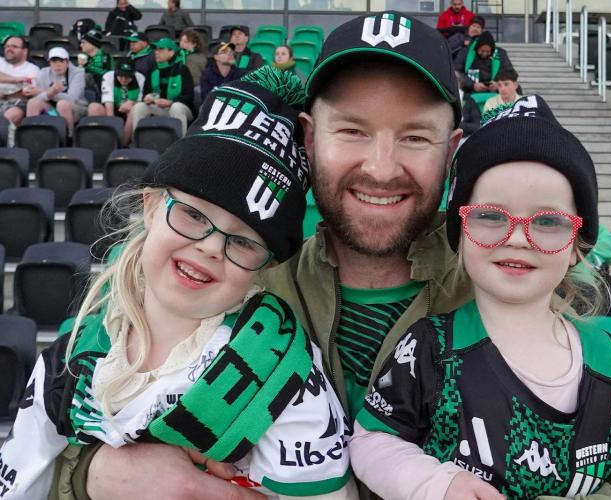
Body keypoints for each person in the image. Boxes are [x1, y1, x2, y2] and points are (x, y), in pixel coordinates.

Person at [48, 12, 471, 500]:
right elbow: (58, 410)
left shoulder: (527, 291)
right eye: (352, 130)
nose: (380, 168)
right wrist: (96, 475)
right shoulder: (224, 276)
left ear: (451, 149)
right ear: (309, 137)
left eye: (415, 136)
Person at [0, 67, 356, 500]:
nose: (208, 247)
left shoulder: (283, 376)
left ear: (263, 266)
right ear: (151, 206)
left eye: (242, 240)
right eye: (192, 214)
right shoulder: (73, 355)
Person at [351, 94, 611, 499]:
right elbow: (371, 440)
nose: (517, 237)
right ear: (460, 235)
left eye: (547, 221)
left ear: (576, 246)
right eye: (491, 216)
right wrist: (436, 484)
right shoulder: (430, 347)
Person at [131, 37, 194, 136]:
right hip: (159, 107)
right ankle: (138, 140)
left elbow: (189, 96)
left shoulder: (182, 69)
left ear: (171, 52)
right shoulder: (152, 70)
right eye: (156, 49)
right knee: (139, 107)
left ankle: (181, 145)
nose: (156, 52)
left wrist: (171, 102)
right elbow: (145, 93)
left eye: (161, 49)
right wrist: (147, 98)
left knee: (176, 107)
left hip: (181, 108)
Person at [25, 47, 87, 132]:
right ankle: (31, 134)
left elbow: (72, 99)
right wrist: (50, 93)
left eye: (61, 61)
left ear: (67, 62)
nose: (58, 65)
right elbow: (38, 98)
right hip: (52, 108)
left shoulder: (78, 73)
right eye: (54, 61)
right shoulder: (43, 72)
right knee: (32, 103)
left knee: (62, 104)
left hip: (77, 107)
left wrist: (48, 92)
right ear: (49, 62)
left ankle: (68, 136)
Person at [87, 58, 144, 144]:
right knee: (93, 107)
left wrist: (131, 103)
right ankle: (103, 141)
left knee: (134, 110)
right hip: (113, 108)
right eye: (120, 76)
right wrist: (114, 132)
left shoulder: (140, 78)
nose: (124, 79)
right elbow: (109, 106)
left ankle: (123, 143)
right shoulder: (108, 76)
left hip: (129, 109)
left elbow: (139, 102)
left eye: (127, 76)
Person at [0, 36, 40, 126]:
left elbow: (26, 92)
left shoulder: (32, 69)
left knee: (8, 118)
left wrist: (5, 94)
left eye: (14, 46)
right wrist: (16, 80)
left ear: (25, 51)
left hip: (17, 104)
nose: (9, 49)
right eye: (7, 46)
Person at [79, 28, 114, 99]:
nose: (81, 45)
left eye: (83, 42)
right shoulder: (86, 57)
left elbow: (108, 75)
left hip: (103, 91)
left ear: (92, 44)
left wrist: (87, 66)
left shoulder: (105, 57)